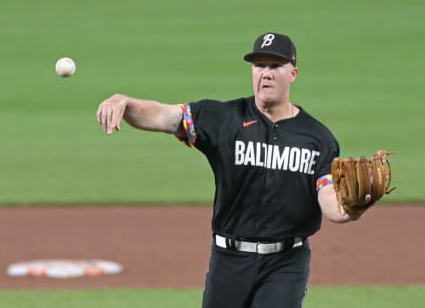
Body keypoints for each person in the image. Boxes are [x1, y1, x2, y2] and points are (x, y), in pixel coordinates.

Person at [96, 32, 357, 308]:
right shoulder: (223, 118)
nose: (265, 74)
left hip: (286, 264)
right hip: (229, 261)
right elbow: (163, 116)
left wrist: (352, 209)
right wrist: (125, 102)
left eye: (275, 66)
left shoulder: (317, 138)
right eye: (259, 66)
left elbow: (329, 200)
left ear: (293, 73)